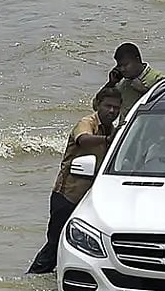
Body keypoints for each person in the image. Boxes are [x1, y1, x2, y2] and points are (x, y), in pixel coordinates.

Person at [26, 87, 123, 275]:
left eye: (116, 108)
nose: (112, 111)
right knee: (55, 244)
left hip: (90, 198)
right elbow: (83, 140)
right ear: (97, 105)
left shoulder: (110, 129)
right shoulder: (87, 123)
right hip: (67, 194)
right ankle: (32, 278)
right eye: (108, 106)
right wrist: (109, 139)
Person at [93, 42, 165, 123]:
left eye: (125, 65)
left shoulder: (158, 79)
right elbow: (96, 106)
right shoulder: (122, 83)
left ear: (137, 60)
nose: (122, 69)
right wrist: (111, 83)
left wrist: (145, 91)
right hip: (127, 131)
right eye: (119, 66)